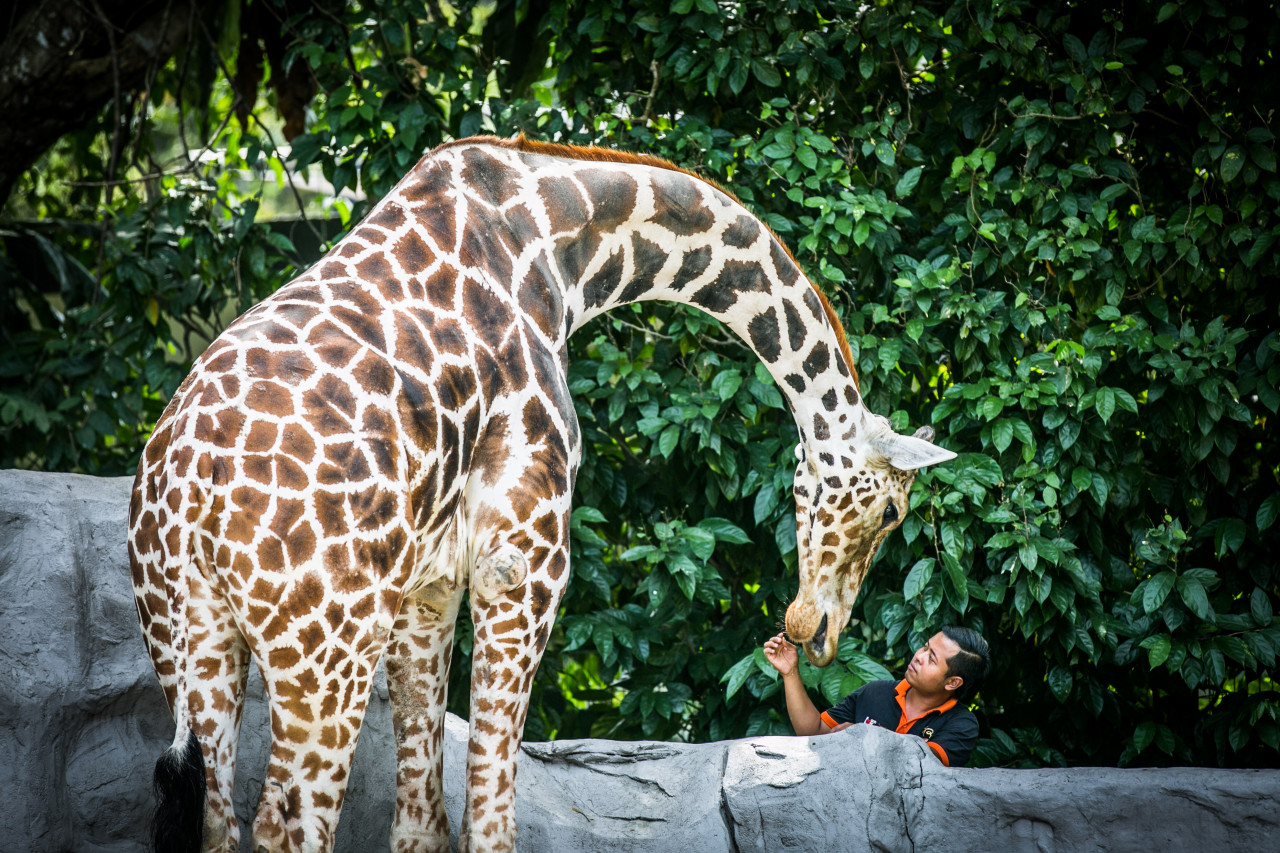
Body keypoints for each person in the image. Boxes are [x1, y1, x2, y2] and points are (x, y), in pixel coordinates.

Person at [762, 626, 989, 767]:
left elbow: (921, 764)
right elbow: (813, 732)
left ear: (952, 683)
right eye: (924, 647)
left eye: (932, 659)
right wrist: (790, 672)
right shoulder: (875, 691)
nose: (919, 656)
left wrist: (859, 735)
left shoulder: (962, 724)